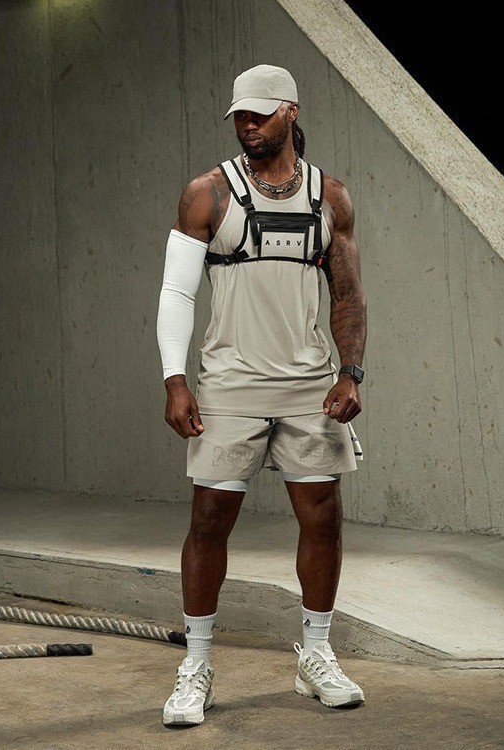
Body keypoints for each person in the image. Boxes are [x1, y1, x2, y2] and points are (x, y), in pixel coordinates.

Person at [155, 63, 368, 726]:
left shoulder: (330, 198)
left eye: (259, 113)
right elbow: (177, 292)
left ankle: (316, 655)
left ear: (290, 112)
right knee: (209, 522)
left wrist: (350, 373)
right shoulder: (207, 194)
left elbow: (348, 295)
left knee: (323, 518)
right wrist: (175, 379)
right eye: (239, 115)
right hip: (229, 385)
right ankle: (196, 665)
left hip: (309, 386)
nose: (247, 124)